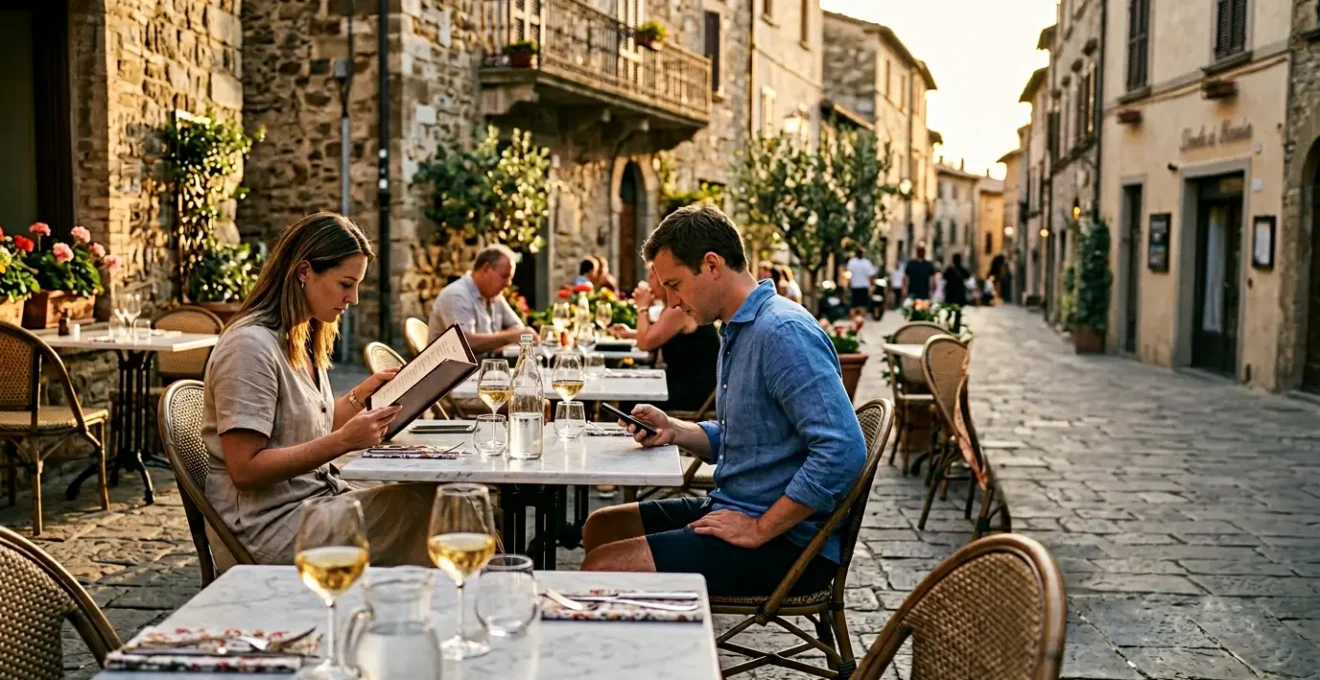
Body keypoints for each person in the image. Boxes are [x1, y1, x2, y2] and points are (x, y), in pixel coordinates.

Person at [580, 204, 866, 597]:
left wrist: (759, 529)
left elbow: (843, 449)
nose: (672, 301)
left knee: (602, 568)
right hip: (733, 504)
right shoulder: (738, 329)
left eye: (675, 284)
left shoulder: (781, 331)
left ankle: (650, 652)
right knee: (602, 526)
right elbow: (746, 436)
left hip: (789, 544)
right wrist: (674, 429)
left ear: (712, 265)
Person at [202, 212, 432, 570]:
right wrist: (343, 442)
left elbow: (307, 424)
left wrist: (363, 396)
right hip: (268, 528)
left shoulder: (299, 336)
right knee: (437, 512)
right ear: (304, 271)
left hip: (315, 505)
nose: (353, 299)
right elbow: (245, 469)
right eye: (345, 284)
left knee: (441, 499)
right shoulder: (249, 347)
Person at [610, 266, 719, 413]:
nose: (648, 283)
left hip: (692, 393)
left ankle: (630, 435)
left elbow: (645, 343)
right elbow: (660, 335)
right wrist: (630, 334)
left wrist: (642, 307)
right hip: (682, 384)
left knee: (632, 401)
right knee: (630, 388)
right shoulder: (671, 308)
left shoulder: (678, 310)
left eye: (652, 277)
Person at [427, 245, 533, 352]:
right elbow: (466, 343)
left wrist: (503, 338)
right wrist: (508, 337)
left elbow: (518, 327)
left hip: (487, 366)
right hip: (453, 368)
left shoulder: (493, 295)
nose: (508, 283)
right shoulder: (456, 295)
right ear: (486, 268)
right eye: (504, 276)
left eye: (510, 278)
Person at [845, 249, 877, 313]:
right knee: (862, 305)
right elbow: (871, 276)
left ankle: (855, 320)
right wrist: (872, 285)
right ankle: (861, 319)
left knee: (854, 305)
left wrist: (848, 283)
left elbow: (848, 274)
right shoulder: (867, 263)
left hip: (855, 286)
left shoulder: (852, 262)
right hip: (863, 286)